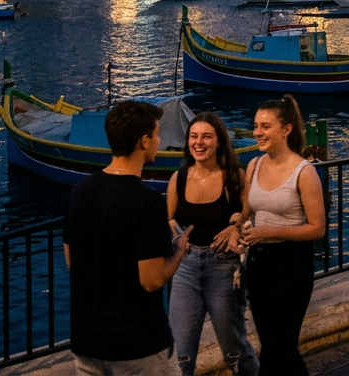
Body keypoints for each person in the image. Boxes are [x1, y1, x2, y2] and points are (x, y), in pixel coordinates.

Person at [66, 100, 191, 375]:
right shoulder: (148, 203)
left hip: (87, 339)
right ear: (144, 141)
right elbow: (151, 280)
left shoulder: (80, 192)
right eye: (157, 134)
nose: (159, 140)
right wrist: (179, 249)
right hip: (136, 343)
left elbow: (72, 260)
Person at [241, 96, 327, 376]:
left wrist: (270, 231)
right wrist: (234, 224)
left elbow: (317, 228)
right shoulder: (253, 165)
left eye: (265, 126)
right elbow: (244, 211)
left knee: (276, 350)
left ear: (286, 129)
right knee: (277, 347)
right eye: (256, 126)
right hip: (258, 264)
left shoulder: (304, 172)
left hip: (291, 266)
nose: (257, 133)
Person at [167, 113, 258, 376]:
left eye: (207, 136)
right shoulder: (179, 178)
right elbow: (169, 219)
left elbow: (248, 213)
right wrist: (173, 231)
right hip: (185, 267)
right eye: (194, 136)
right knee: (180, 355)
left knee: (234, 351)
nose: (199, 142)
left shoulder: (234, 177)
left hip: (224, 267)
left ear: (219, 141)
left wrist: (236, 225)